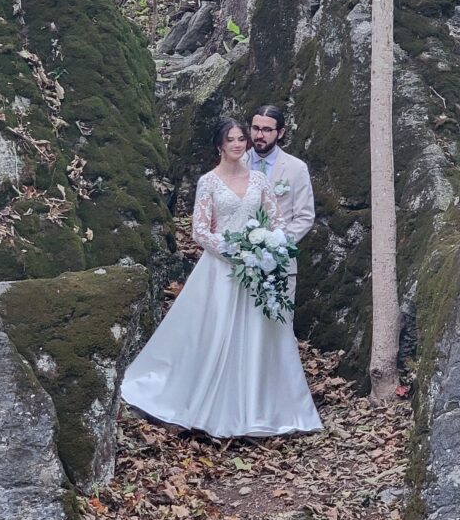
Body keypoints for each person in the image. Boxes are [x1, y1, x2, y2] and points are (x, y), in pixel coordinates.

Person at [121, 118, 322, 438]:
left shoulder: (259, 180)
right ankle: (206, 406)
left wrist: (264, 248)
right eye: (231, 139)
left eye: (242, 138)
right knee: (213, 334)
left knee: (259, 335)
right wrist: (234, 252)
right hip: (220, 269)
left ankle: (261, 409)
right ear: (220, 146)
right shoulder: (208, 182)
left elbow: (277, 221)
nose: (239, 144)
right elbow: (199, 231)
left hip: (257, 267)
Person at [244, 105, 315, 306]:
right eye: (255, 128)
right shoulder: (237, 162)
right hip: (240, 262)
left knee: (276, 327)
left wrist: (276, 244)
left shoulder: (296, 168)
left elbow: (305, 216)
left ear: (280, 132)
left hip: (280, 264)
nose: (259, 135)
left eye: (266, 130)